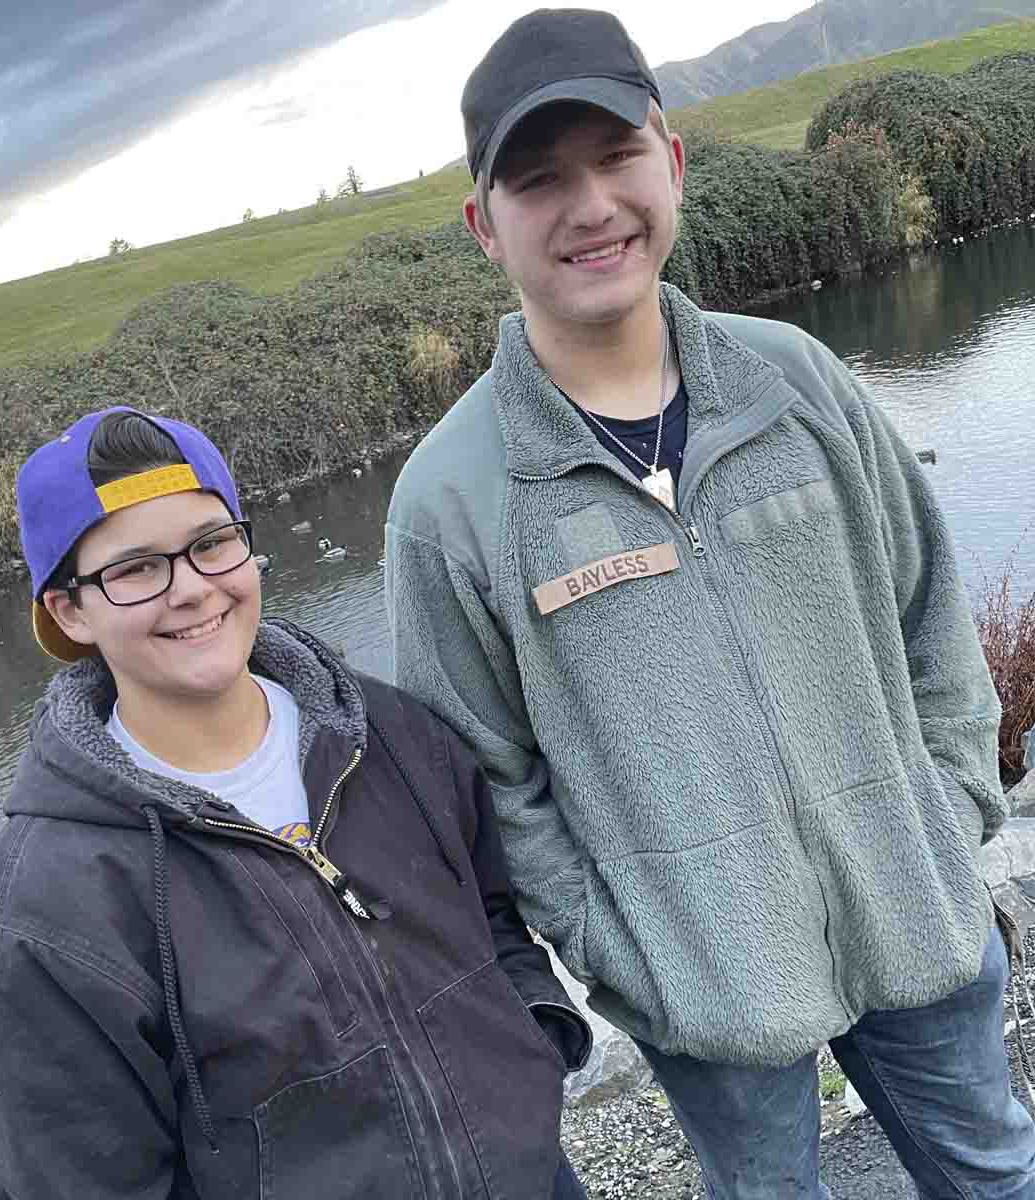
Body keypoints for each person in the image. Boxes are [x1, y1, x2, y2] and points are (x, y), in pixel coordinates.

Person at [385, 8, 1035, 1198]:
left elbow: (931, 610)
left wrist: (948, 817)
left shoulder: (797, 380)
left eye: (618, 157)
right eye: (539, 180)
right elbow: (484, 781)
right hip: (707, 1001)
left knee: (999, 1175)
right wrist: (626, 945)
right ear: (485, 225)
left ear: (672, 164)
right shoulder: (449, 502)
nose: (591, 208)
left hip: (921, 919)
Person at [0, 406, 593, 1199]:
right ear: (69, 610)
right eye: (136, 569)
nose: (192, 591)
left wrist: (536, 1042)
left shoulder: (390, 734)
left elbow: (492, 920)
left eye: (211, 544)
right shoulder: (39, 910)